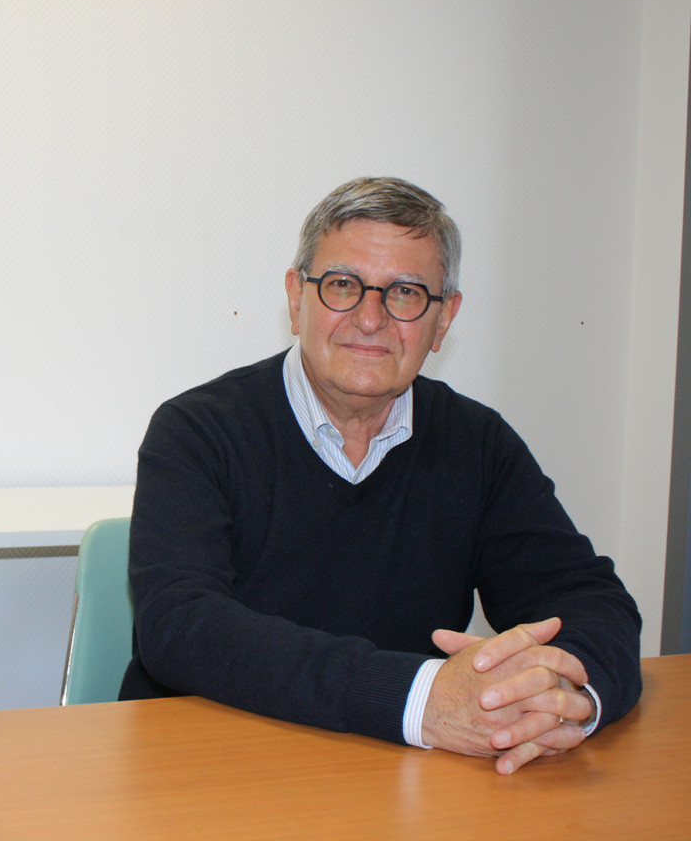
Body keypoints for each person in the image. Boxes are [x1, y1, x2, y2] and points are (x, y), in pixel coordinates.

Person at [119, 176, 641, 775]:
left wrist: (561, 701)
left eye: (407, 293)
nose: (370, 319)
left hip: (393, 775)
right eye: (343, 285)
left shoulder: (479, 443)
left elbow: (590, 601)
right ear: (296, 298)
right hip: (209, 769)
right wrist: (419, 698)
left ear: (444, 320)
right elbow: (183, 627)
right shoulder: (197, 430)